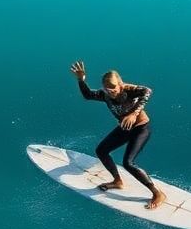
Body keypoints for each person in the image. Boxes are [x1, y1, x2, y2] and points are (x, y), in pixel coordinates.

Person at [69, 60, 167, 210]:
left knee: (128, 163)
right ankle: (117, 181)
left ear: (120, 84)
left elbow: (148, 91)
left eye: (114, 88)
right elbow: (88, 95)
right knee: (101, 150)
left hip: (141, 128)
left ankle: (158, 193)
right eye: (107, 89)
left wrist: (134, 114)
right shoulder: (106, 94)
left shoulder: (129, 89)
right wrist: (80, 79)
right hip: (125, 128)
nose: (111, 91)